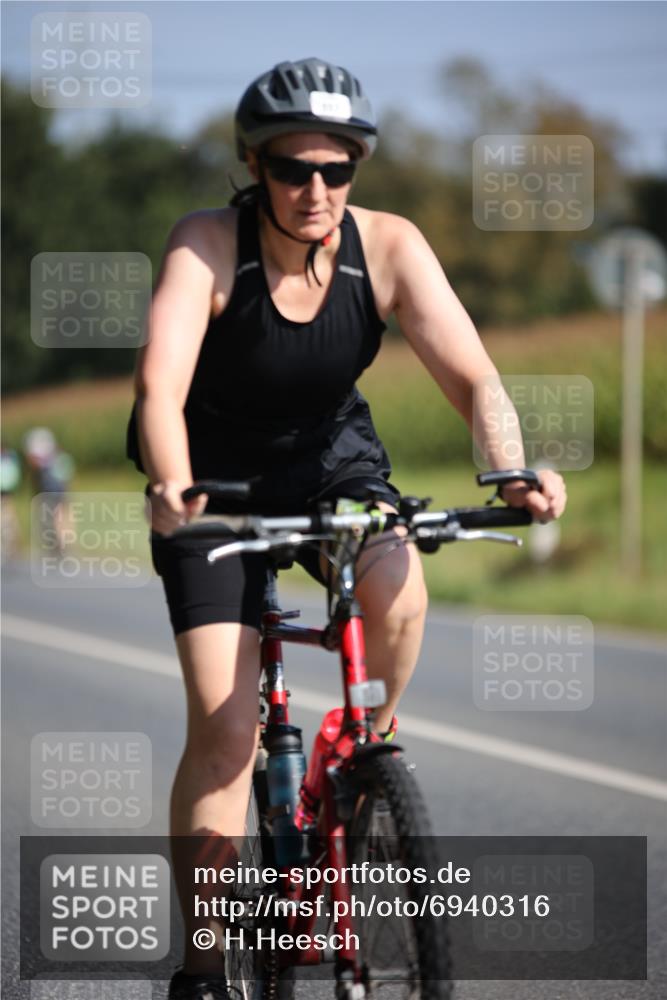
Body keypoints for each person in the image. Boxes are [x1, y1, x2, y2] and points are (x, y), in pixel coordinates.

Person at [126, 57, 567, 999]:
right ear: (254, 166)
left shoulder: (391, 246)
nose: (316, 190)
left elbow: (475, 378)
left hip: (333, 461)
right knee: (224, 726)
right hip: (211, 480)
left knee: (399, 584)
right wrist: (171, 486)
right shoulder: (206, 244)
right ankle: (203, 967)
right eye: (293, 170)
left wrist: (511, 471)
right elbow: (159, 386)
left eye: (338, 170)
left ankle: (363, 753)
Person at [23, 427, 74, 557]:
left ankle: (58, 547)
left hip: (52, 493)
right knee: (58, 520)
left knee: (52, 520)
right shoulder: (60, 459)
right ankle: (60, 547)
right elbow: (67, 478)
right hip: (59, 492)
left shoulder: (46, 464)